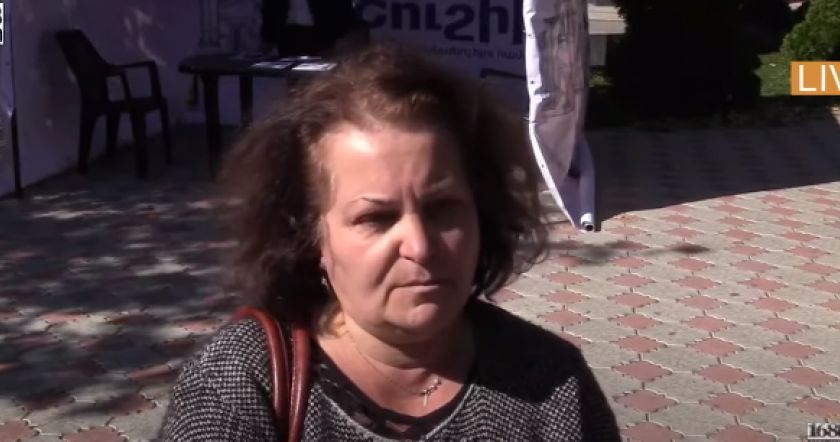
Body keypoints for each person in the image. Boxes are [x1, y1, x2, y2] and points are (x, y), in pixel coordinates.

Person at [160, 44, 620, 441]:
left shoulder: (554, 383)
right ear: (311, 235)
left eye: (443, 208)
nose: (420, 247)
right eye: (376, 218)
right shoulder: (239, 384)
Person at [260, 0, 369, 56]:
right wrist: (268, 36)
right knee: (294, 79)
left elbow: (341, 6)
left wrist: (342, 33)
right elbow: (270, 7)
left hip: (321, 31)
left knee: (321, 78)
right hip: (289, 33)